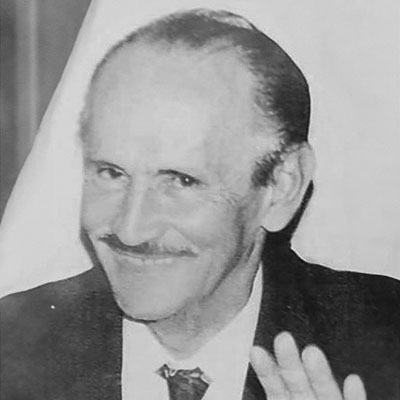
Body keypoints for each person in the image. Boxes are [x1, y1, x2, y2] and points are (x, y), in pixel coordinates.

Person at [1, 8, 399, 400]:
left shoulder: (386, 342)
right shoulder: (11, 347)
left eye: (181, 180)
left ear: (281, 185)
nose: (131, 230)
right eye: (111, 173)